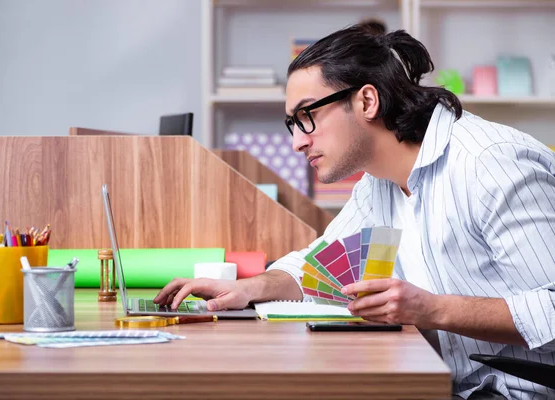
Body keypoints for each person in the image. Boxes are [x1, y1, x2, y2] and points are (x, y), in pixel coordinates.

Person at [154, 24, 555, 399]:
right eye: (291, 124)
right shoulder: (378, 181)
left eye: (307, 116)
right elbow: (317, 265)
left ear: (366, 100)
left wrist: (430, 308)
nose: (297, 142)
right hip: (441, 384)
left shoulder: (492, 164)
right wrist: (246, 288)